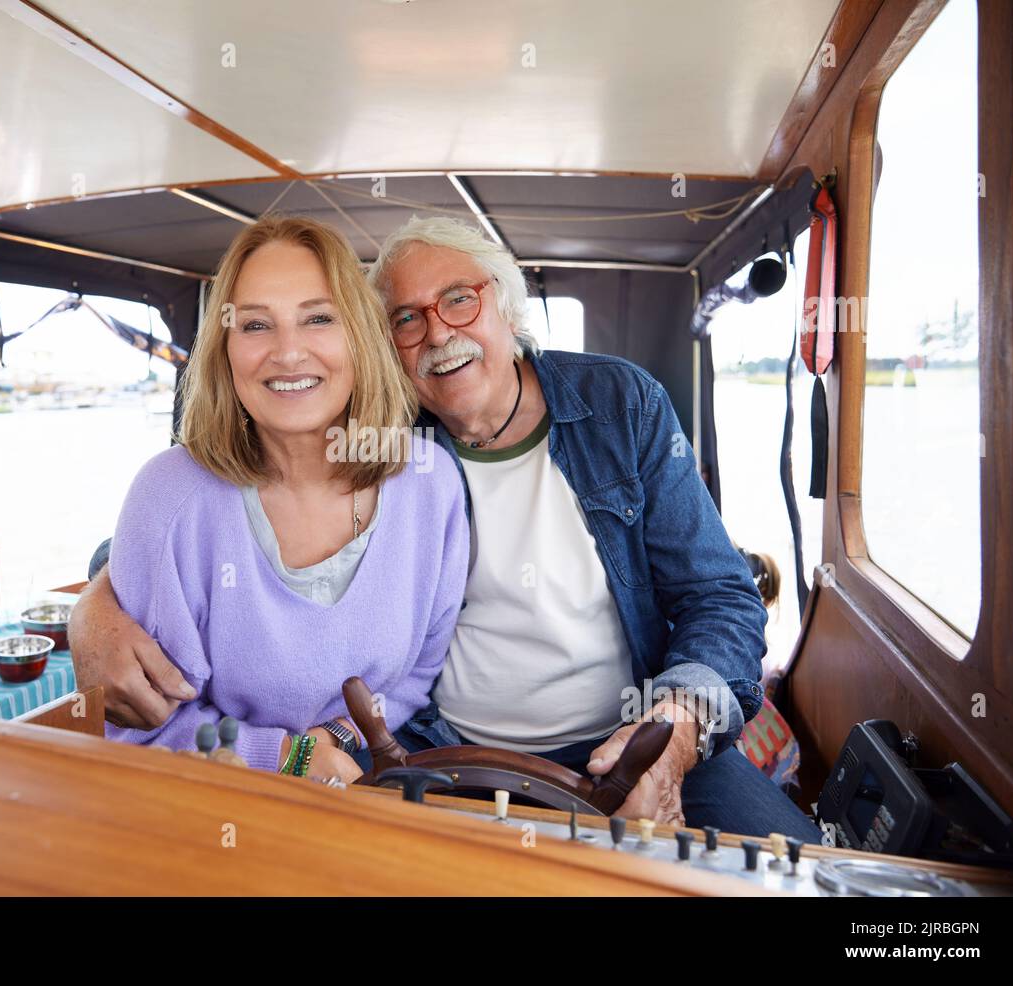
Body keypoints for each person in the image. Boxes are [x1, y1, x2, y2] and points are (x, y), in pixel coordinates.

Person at [75, 215, 820, 841]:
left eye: (459, 299)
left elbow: (720, 595)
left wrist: (678, 728)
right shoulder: (392, 438)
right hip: (442, 748)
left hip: (630, 737)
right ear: (384, 346)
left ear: (507, 307)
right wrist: (94, 607)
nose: (438, 331)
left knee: (808, 875)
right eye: (405, 317)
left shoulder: (619, 404)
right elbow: (190, 523)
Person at [100, 215, 468, 782]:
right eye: (255, 326)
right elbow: (142, 728)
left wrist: (341, 736)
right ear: (223, 347)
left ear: (360, 336)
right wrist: (286, 757)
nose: (288, 352)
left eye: (319, 318)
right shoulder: (169, 496)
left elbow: (417, 674)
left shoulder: (430, 478)